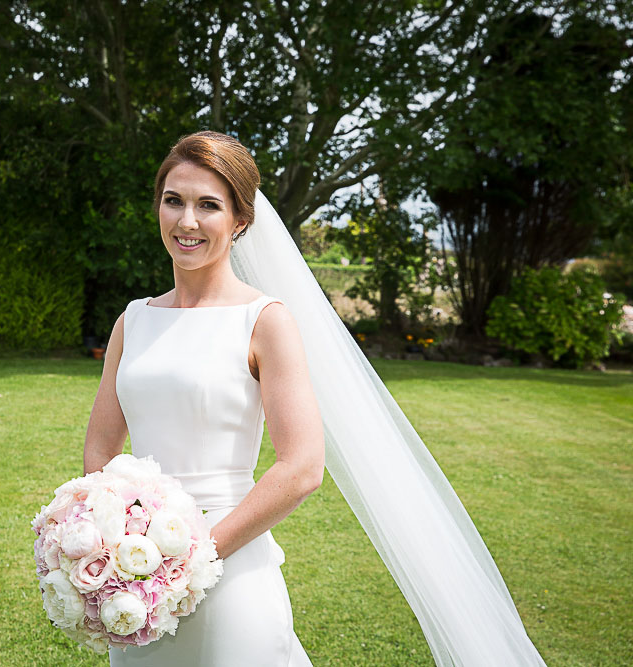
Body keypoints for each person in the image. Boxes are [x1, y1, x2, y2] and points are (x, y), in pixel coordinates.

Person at [84, 131, 546, 666]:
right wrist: (122, 540)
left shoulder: (265, 320)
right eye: (174, 200)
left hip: (229, 573)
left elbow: (302, 467)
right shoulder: (133, 319)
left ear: (239, 221)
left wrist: (191, 558)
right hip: (138, 579)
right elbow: (100, 448)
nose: (187, 221)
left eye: (208, 205)